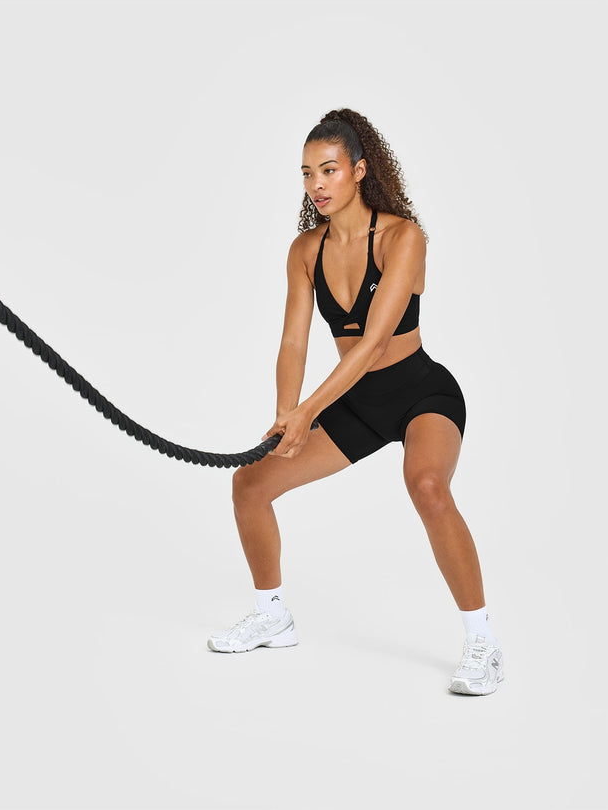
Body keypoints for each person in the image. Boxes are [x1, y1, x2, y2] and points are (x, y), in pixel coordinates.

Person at [207, 108, 504, 696]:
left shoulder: (403, 237)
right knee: (250, 485)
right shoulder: (304, 250)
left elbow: (371, 345)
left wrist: (308, 412)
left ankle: (483, 642)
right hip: (356, 400)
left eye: (329, 170)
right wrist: (286, 413)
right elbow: (294, 342)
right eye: (307, 173)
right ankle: (272, 615)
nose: (316, 184)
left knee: (427, 486)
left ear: (360, 170)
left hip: (421, 392)